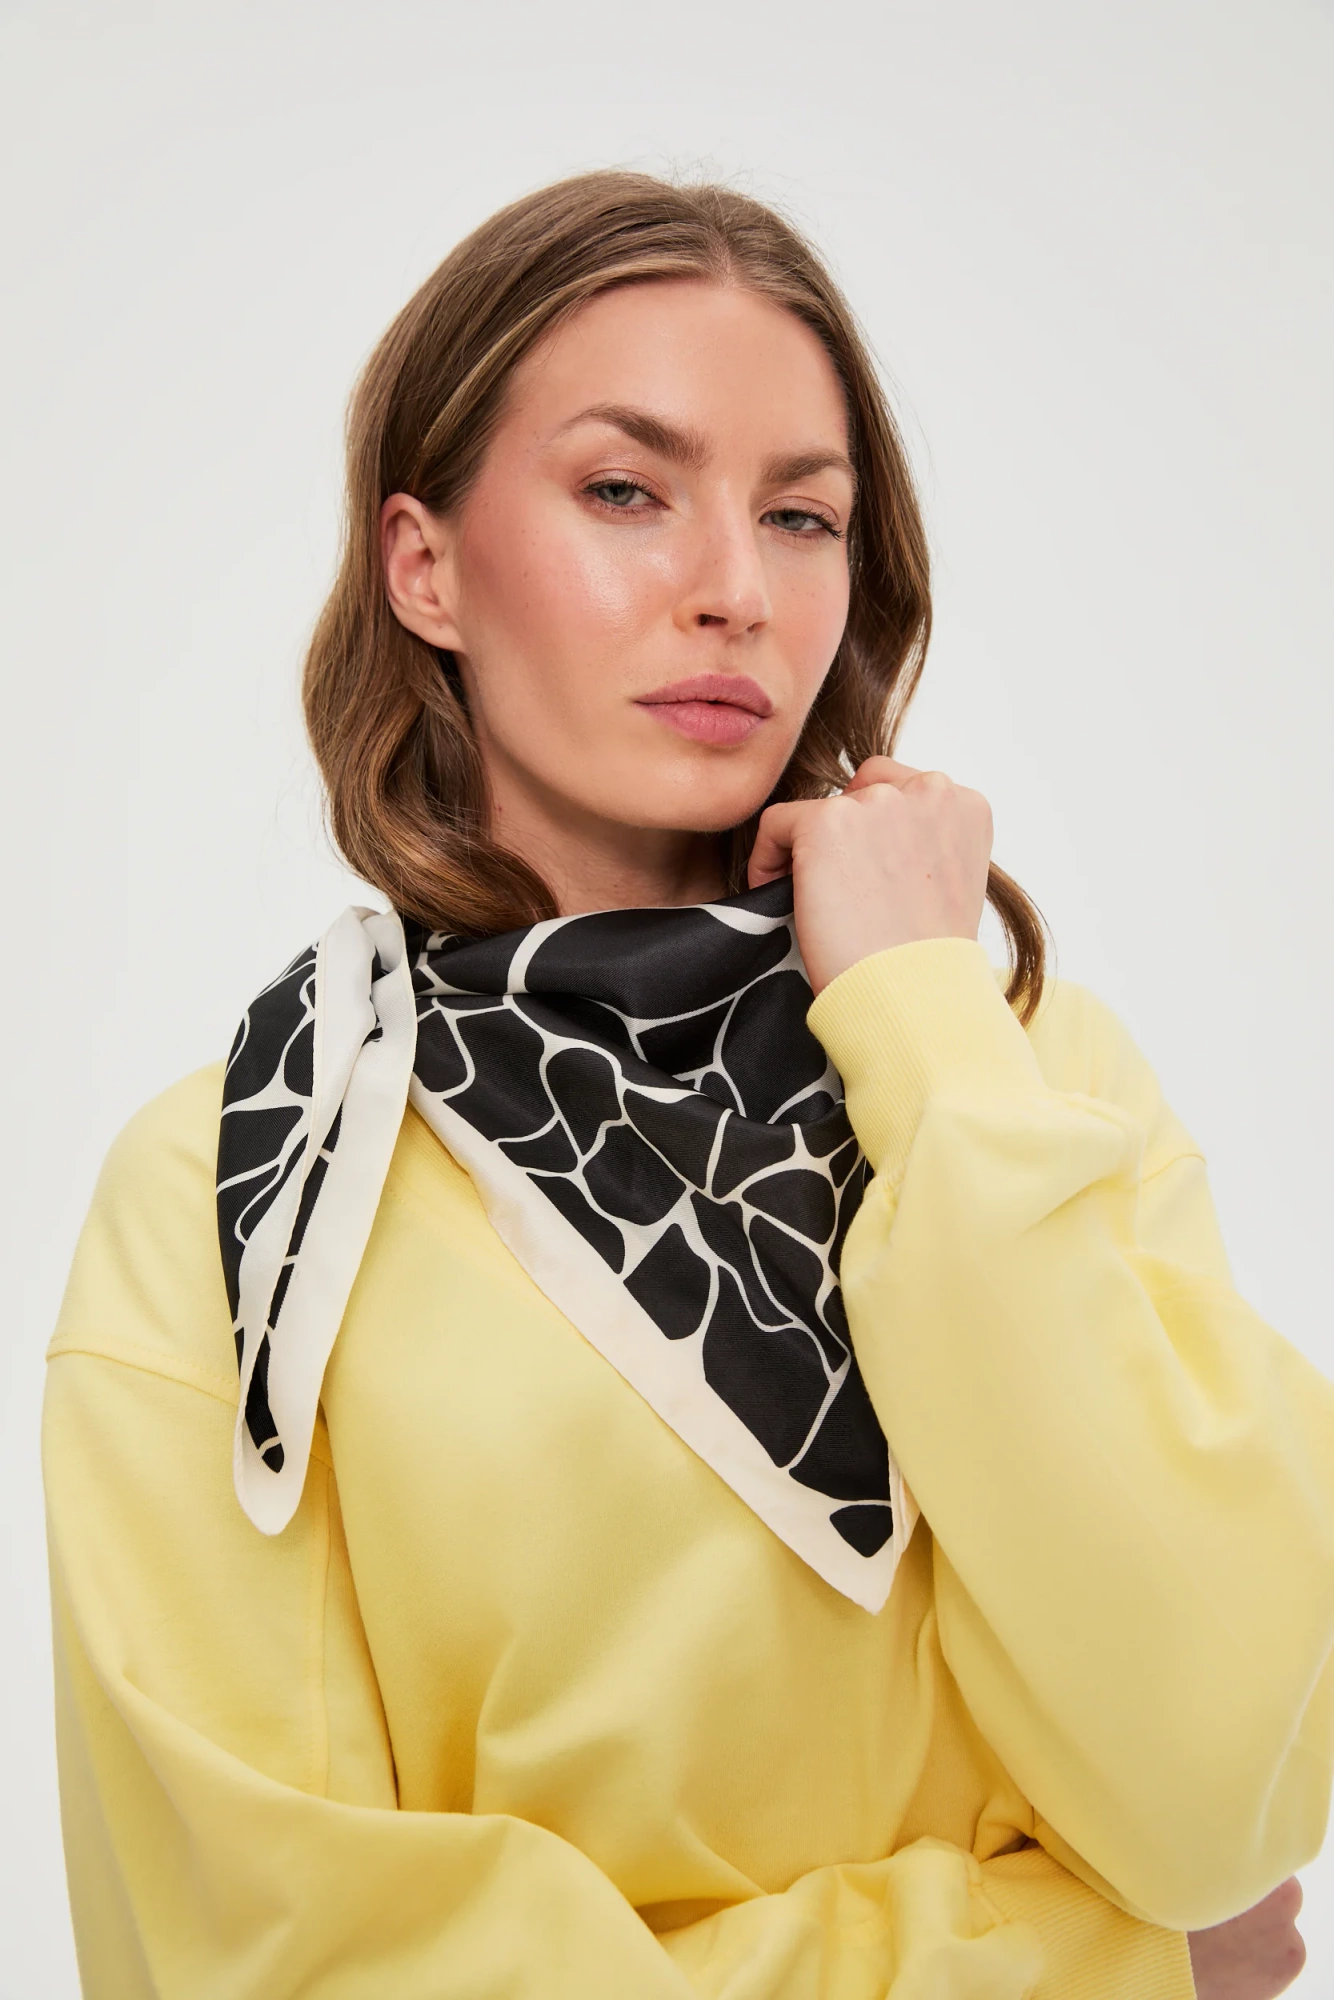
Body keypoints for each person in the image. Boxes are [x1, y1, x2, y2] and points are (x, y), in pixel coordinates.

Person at [43, 172, 1328, 1999]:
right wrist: (1090, 1965)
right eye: (624, 492)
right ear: (424, 567)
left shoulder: (1018, 1070)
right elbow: (281, 1965)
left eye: (800, 517)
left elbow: (1220, 1785)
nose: (733, 591)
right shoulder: (238, 1197)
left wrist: (915, 1018)